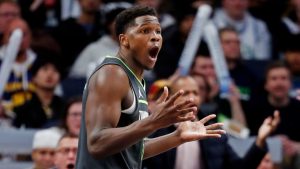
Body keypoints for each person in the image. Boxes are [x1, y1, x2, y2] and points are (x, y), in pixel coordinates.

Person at [76, 6, 225, 169]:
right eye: (145, 30)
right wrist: (153, 121)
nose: (155, 37)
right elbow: (97, 144)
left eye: (158, 31)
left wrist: (177, 137)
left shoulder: (138, 81)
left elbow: (132, 151)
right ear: (124, 40)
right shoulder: (113, 73)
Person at [143, 76, 280, 169]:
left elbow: (241, 167)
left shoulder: (214, 132)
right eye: (185, 93)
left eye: (196, 93)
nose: (192, 98)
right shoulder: (155, 130)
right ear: (171, 97)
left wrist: (260, 140)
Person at [13, 49, 65, 129]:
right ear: (34, 77)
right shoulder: (23, 110)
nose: (50, 74)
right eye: (45, 69)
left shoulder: (65, 107)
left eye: (55, 70)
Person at [0, 18, 37, 117]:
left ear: (30, 37)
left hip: (34, 120)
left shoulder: (41, 64)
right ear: (4, 37)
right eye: (12, 34)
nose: (18, 39)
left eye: (23, 34)